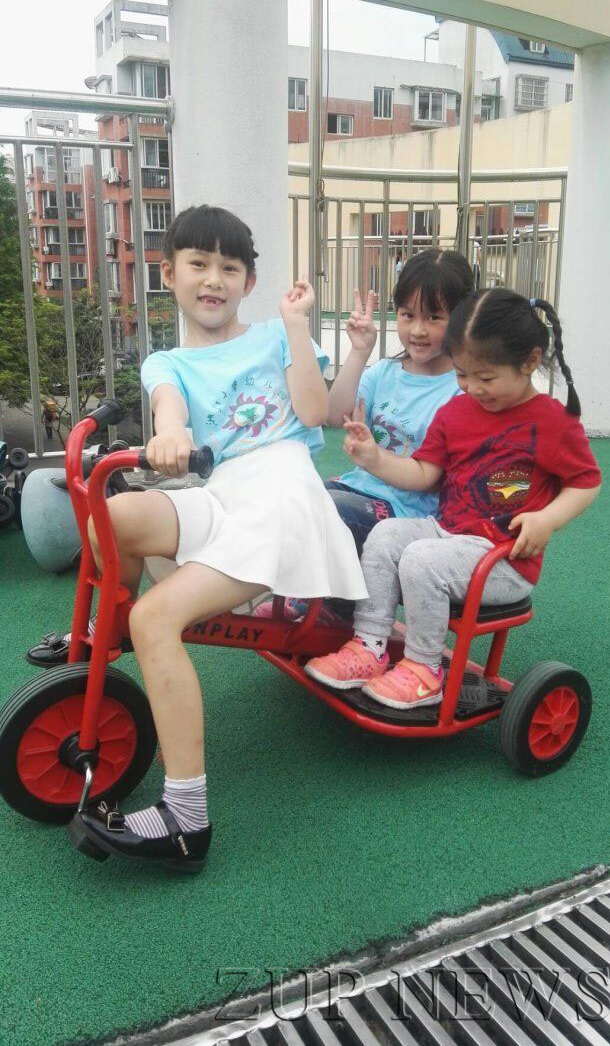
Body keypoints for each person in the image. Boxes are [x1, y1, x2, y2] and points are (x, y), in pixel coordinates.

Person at [72, 204, 366, 871]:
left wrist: (297, 327)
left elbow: (316, 411)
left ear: (248, 282)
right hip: (224, 492)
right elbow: (169, 408)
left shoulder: (274, 337)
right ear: (169, 274)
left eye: (229, 268)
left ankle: (186, 818)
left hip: (281, 497)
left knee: (155, 617)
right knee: (111, 518)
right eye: (198, 264)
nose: (213, 279)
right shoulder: (167, 361)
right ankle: (117, 630)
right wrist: (171, 435)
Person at [305, 288, 602, 708]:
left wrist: (547, 519)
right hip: (448, 534)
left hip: (504, 559)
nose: (473, 388)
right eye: (462, 374)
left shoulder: (551, 421)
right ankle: (369, 646)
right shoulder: (456, 411)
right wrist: (375, 458)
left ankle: (424, 669)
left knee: (422, 558)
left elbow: (586, 482)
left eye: (486, 377)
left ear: (530, 361)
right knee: (386, 535)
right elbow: (425, 474)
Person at [254, 249, 475, 624]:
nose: (418, 330)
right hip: (359, 489)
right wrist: (359, 352)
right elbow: (334, 414)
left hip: (407, 512)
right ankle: (303, 595)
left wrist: (375, 459)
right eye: (407, 315)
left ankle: (334, 612)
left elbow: (431, 478)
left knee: (332, 511)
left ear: (461, 318)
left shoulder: (461, 389)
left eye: (434, 317)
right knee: (295, 496)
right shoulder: (385, 373)